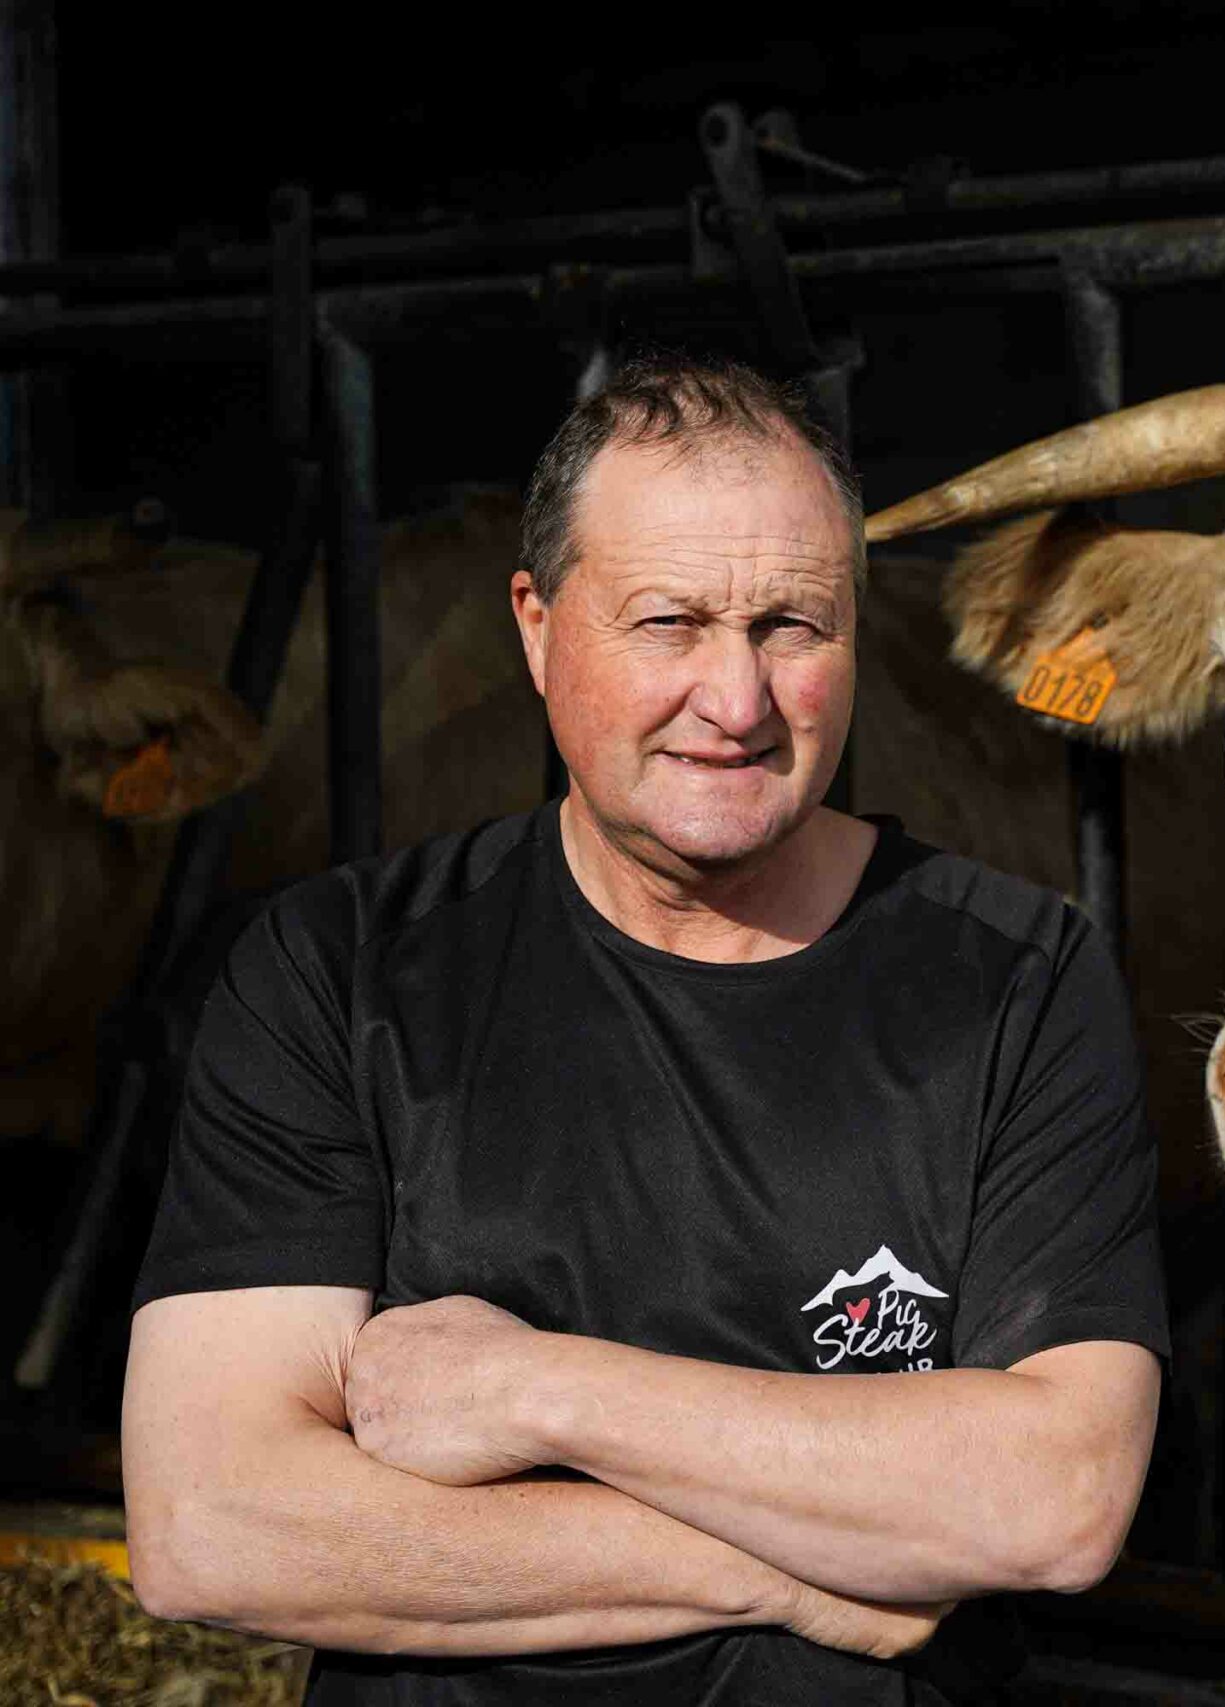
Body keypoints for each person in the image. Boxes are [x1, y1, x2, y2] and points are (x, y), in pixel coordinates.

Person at [119, 356, 1168, 1705]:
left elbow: (1053, 1502)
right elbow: (215, 1529)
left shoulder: (1018, 979)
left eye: (792, 624)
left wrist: (540, 1392)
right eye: (668, 622)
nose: (737, 701)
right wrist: (798, 1568)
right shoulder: (339, 974)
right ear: (539, 628)